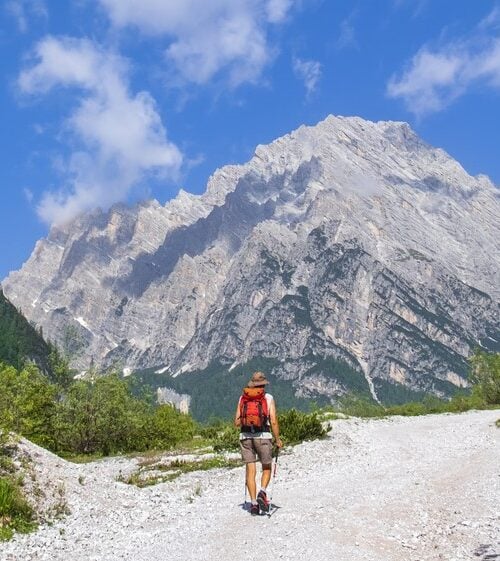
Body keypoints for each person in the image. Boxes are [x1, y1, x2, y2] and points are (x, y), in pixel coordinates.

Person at [234, 371, 283, 515]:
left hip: (245, 437)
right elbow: (273, 420)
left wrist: (247, 420)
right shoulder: (268, 398)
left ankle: (254, 505)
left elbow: (236, 422)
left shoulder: (242, 398)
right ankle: (262, 492)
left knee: (250, 471)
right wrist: (278, 439)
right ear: (263, 384)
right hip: (263, 436)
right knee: (266, 466)